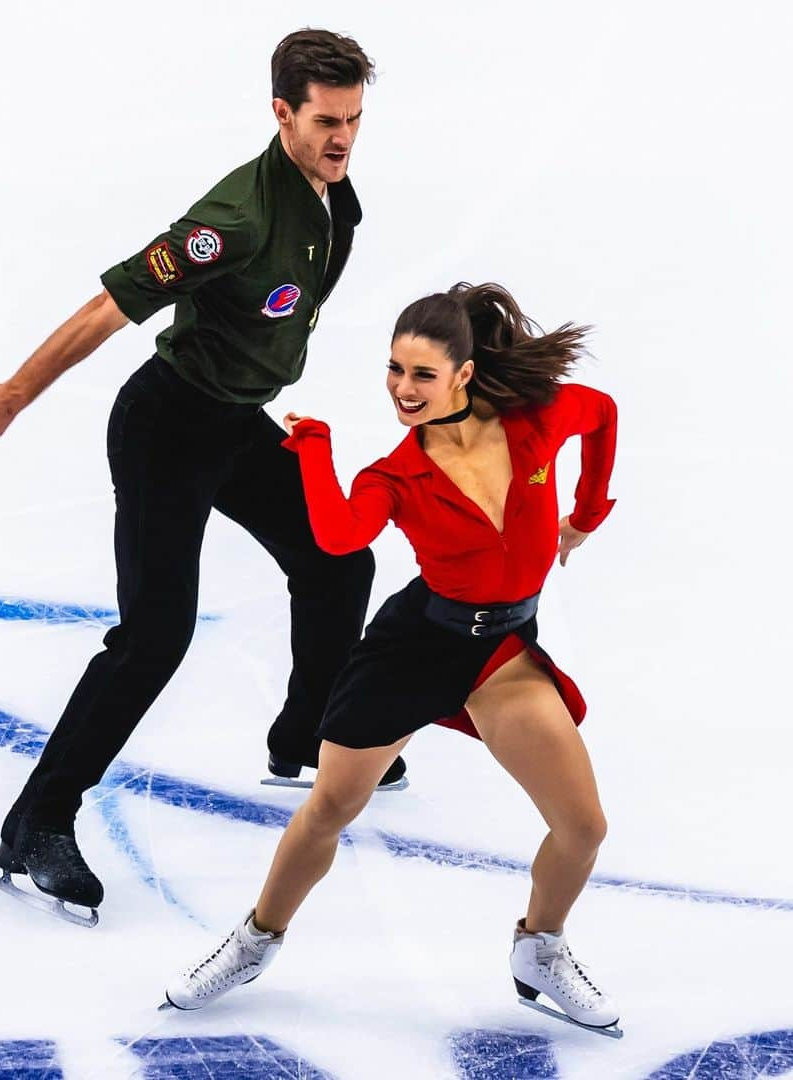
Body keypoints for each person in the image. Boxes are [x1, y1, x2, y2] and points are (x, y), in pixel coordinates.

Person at [0, 29, 406, 927]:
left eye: (354, 121)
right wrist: (17, 393)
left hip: (233, 419)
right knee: (154, 637)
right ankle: (40, 822)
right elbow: (112, 305)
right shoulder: (232, 220)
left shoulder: (332, 195)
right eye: (326, 121)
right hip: (167, 428)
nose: (342, 139)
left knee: (338, 560)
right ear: (281, 114)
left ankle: (306, 734)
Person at [163, 282, 622, 1036]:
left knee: (583, 827)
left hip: (501, 655)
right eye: (394, 371)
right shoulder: (394, 475)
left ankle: (539, 950)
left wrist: (587, 515)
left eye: (421, 375)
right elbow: (341, 538)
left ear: (463, 375)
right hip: (414, 648)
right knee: (332, 808)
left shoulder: (536, 425)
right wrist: (314, 451)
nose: (402, 390)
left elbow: (600, 412)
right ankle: (255, 940)